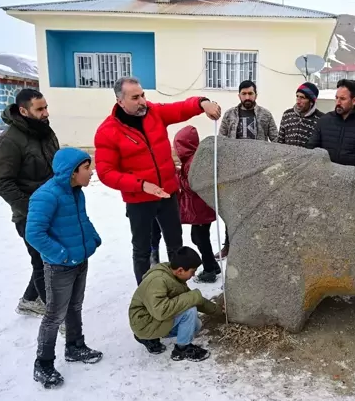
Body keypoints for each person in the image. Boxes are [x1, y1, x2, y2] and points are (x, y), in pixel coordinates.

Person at [94, 76, 221, 285]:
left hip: (168, 194)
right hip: (139, 200)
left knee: (175, 246)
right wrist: (141, 185)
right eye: (135, 97)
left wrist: (202, 103)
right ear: (120, 101)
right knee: (142, 250)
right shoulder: (108, 131)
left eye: (143, 95)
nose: (142, 101)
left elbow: (180, 108)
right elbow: (106, 172)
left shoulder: (154, 112)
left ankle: (177, 290)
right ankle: (147, 297)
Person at [26, 148, 103, 388]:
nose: (91, 172)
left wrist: (93, 239)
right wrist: (61, 255)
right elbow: (34, 233)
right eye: (86, 168)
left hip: (79, 260)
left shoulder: (76, 192)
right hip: (60, 266)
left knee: (75, 306)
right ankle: (44, 364)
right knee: (54, 315)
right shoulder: (47, 195)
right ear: (72, 172)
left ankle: (75, 346)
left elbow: (83, 220)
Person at [0, 88, 59, 317]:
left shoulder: (45, 131)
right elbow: (2, 183)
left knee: (45, 258)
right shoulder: (9, 141)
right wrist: (32, 209)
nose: (45, 113)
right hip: (29, 215)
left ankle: (30, 299)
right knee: (43, 262)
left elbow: (55, 165)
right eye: (39, 109)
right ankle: (53, 313)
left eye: (46, 107)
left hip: (54, 208)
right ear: (23, 110)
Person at [216, 80, 278, 258]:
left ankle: (256, 247)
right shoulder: (229, 115)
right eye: (244, 94)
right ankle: (229, 245)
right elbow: (222, 142)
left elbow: (275, 140)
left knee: (257, 211)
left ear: (256, 95)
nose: (247, 97)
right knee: (231, 210)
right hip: (234, 173)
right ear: (239, 96)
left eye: (250, 93)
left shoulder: (265, 115)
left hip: (258, 172)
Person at [129, 246, 223, 361]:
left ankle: (151, 338)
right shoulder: (157, 280)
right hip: (143, 323)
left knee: (195, 324)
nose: (193, 275)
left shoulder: (173, 275)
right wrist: (191, 297)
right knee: (190, 311)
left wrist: (218, 311)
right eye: (192, 271)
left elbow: (197, 300)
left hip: (152, 319)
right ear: (180, 270)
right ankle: (182, 349)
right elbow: (161, 311)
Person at [174, 125, 221, 283]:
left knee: (201, 239)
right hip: (201, 208)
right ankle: (213, 265)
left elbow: (192, 186)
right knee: (199, 238)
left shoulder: (192, 163)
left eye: (178, 146)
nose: (177, 149)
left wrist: (177, 177)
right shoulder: (193, 160)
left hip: (200, 208)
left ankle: (209, 270)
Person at [305, 79, 355, 166]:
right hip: (325, 176)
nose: (338, 102)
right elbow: (311, 149)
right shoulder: (324, 121)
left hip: (353, 177)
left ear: (354, 100)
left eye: (343, 99)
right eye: (336, 98)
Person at [277, 82, 324, 147]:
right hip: (287, 157)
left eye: (302, 98)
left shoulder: (321, 119)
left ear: (311, 102)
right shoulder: (287, 115)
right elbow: (280, 142)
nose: (298, 101)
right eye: (297, 96)